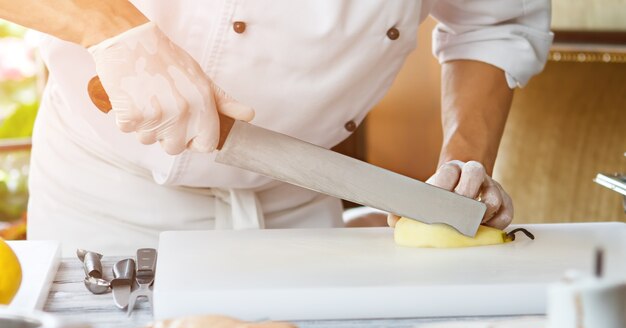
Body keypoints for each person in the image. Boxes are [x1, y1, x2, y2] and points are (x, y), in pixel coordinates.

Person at [0, 1, 552, 255]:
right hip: (104, 194)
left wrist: (462, 167)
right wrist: (111, 25)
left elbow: (493, 23)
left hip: (300, 197)